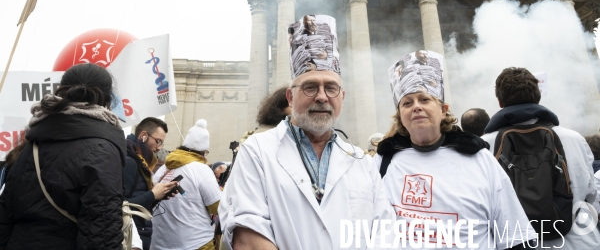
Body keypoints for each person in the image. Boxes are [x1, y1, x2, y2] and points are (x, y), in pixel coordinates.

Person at [219, 14, 394, 250]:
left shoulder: (362, 161)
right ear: (291, 97)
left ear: (341, 98)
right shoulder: (256, 152)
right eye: (310, 87)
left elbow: (384, 234)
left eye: (331, 88)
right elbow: (247, 236)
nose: (322, 96)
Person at [376, 51, 536, 249]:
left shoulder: (480, 160)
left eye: (425, 99)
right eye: (407, 103)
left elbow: (516, 237)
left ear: (443, 110)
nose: (416, 107)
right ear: (400, 115)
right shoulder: (384, 162)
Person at [0, 63, 126, 249]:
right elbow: (102, 236)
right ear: (108, 99)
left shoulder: (31, 141)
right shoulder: (102, 150)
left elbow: (5, 214)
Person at [482, 67, 600, 248]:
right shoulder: (574, 138)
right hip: (577, 240)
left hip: (518, 242)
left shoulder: (485, 146)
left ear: (500, 102)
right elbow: (591, 193)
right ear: (538, 96)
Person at [152, 119, 221, 250]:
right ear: (203, 151)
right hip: (195, 244)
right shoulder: (201, 169)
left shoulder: (163, 169)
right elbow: (217, 207)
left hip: (158, 244)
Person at [124, 117, 178, 250]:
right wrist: (152, 195)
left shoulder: (142, 162)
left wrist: (159, 195)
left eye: (162, 143)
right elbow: (120, 206)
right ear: (143, 136)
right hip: (131, 238)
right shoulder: (130, 162)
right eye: (158, 141)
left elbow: (137, 199)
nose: (159, 148)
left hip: (139, 233)